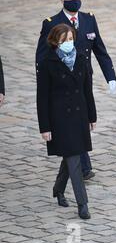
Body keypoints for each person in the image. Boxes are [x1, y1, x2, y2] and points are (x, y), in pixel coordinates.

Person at [36, 0, 116, 180]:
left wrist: (111, 76)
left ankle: (79, 167)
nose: (75, 1)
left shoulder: (89, 19)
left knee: (82, 119)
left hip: (83, 79)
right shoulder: (51, 24)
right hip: (61, 81)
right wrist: (44, 81)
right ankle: (83, 167)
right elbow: (41, 56)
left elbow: (100, 49)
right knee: (72, 122)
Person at [36, 24, 97, 220]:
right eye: (64, 41)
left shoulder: (81, 58)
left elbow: (88, 89)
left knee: (71, 156)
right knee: (74, 157)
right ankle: (83, 203)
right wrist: (44, 127)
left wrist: (92, 116)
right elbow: (42, 97)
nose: (68, 43)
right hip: (59, 119)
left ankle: (58, 189)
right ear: (55, 42)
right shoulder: (47, 63)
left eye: (71, 39)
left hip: (79, 116)